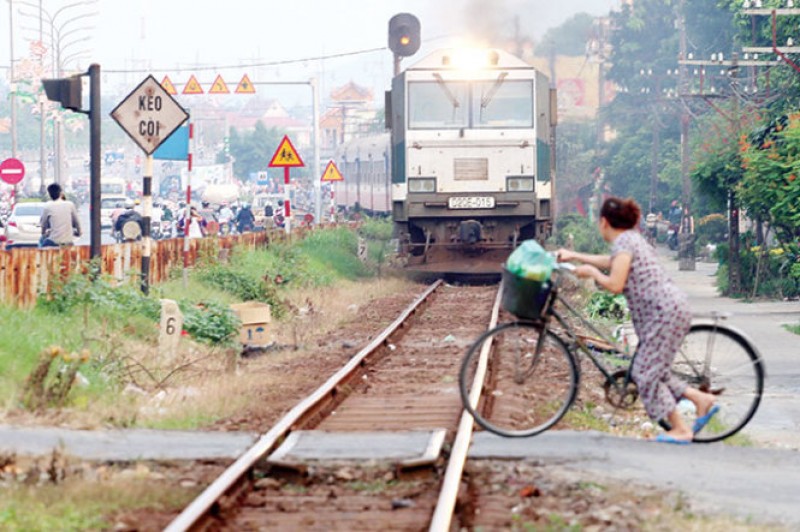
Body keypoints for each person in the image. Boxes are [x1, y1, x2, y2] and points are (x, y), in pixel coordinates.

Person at [557, 196, 719, 444]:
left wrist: (591, 273)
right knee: (657, 371)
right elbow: (612, 262)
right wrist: (575, 256)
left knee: (645, 373)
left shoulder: (625, 243)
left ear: (603, 222)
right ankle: (700, 399)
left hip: (662, 314)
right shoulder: (630, 240)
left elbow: (614, 284)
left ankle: (680, 429)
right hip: (666, 312)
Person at [40, 183, 81, 248]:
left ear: (49, 194)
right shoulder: (70, 205)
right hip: (68, 241)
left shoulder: (47, 206)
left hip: (53, 241)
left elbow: (43, 225)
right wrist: (79, 232)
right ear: (60, 193)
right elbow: (77, 223)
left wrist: (44, 233)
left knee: (41, 243)